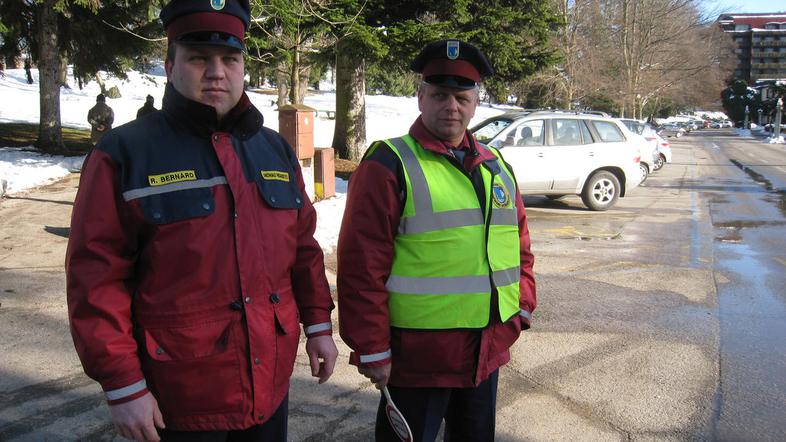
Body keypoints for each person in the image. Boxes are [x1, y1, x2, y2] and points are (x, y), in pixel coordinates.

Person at [66, 0, 338, 440]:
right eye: (199, 59)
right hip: (179, 398)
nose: (217, 72)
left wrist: (319, 326)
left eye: (230, 59)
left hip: (268, 386)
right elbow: (96, 279)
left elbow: (302, 249)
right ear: (170, 64)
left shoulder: (273, 149)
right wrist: (122, 384)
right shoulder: (124, 153)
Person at [337, 39, 537, 442]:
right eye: (440, 95)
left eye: (462, 97)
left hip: (485, 352)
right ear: (420, 97)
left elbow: (519, 247)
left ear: (476, 102)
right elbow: (361, 268)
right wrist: (371, 347)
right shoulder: (388, 164)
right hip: (417, 360)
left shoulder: (496, 167)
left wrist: (522, 306)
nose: (452, 107)